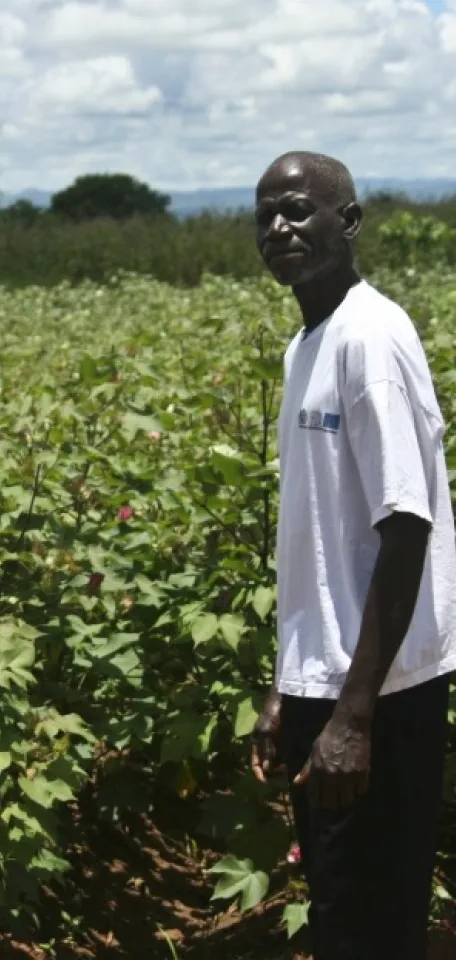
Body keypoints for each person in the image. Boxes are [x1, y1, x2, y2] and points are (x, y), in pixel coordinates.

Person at [249, 150, 456, 959]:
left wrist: (353, 718)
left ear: (350, 221)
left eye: (298, 210)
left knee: (372, 928)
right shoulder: (309, 343)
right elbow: (321, 545)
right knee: (344, 917)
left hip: (379, 695)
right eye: (265, 215)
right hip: (330, 687)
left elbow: (405, 528)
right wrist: (288, 689)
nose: (279, 229)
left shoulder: (368, 340)